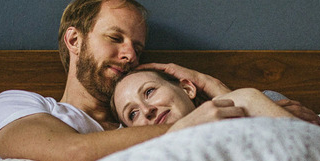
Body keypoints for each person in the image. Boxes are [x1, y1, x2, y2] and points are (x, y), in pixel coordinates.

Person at [0, 0, 319, 161]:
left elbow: (309, 137)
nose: (130, 54)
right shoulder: (20, 105)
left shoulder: (140, 124)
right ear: (74, 40)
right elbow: (73, 152)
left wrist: (214, 88)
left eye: (137, 47)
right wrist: (196, 125)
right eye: (115, 38)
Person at [111, 69, 304, 131]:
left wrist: (246, 98)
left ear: (187, 88)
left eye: (149, 91)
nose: (146, 110)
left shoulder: (266, 101)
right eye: (133, 113)